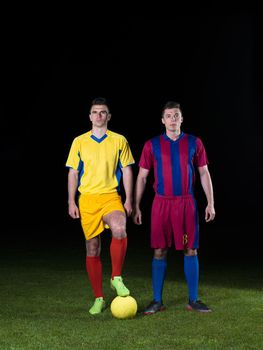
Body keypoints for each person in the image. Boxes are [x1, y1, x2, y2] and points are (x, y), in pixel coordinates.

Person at [133, 101, 215, 314]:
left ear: (181, 118)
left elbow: (204, 172)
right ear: (163, 120)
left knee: (190, 248)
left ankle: (193, 299)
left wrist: (210, 203)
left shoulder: (194, 142)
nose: (172, 119)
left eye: (176, 115)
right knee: (159, 250)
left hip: (186, 203)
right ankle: (157, 301)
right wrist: (136, 205)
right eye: (168, 116)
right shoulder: (152, 145)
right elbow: (142, 177)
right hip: (161, 204)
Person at [66, 97, 135, 315]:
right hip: (87, 199)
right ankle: (99, 298)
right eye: (95, 112)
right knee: (92, 248)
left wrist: (129, 199)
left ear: (109, 116)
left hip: (110, 196)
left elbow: (127, 170)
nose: (99, 115)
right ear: (89, 116)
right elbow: (73, 172)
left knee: (120, 229)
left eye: (103, 112)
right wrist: (70, 201)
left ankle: (116, 277)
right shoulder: (79, 141)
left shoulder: (119, 140)